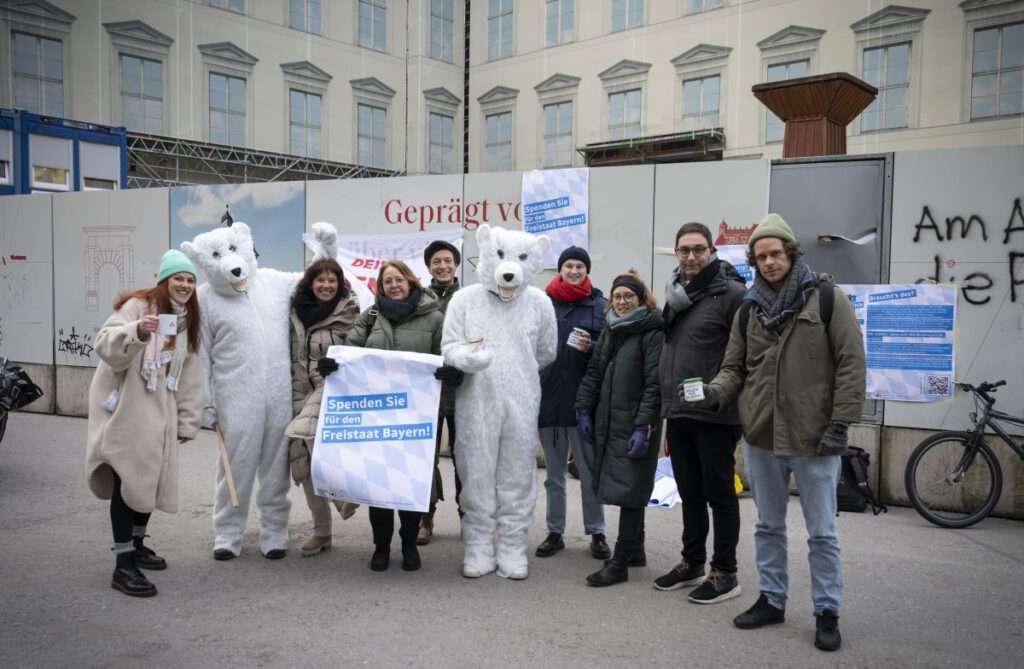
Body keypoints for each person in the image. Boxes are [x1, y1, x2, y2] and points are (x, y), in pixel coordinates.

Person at [693, 214, 866, 651]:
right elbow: (735, 367)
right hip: (762, 436)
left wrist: (841, 424)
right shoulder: (749, 309)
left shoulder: (827, 299)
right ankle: (772, 599)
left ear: (791, 254)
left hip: (815, 439)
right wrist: (714, 393)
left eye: (776, 254)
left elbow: (851, 364)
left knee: (822, 532)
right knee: (768, 526)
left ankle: (827, 610)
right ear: (753, 261)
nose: (769, 262)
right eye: (761, 256)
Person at [319, 260, 459, 572]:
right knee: (379, 484)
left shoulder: (435, 317)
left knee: (411, 482)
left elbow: (446, 355)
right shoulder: (369, 317)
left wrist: (452, 373)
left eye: (398, 280)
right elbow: (349, 351)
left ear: (410, 282)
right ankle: (381, 546)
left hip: (417, 415)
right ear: (380, 288)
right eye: (387, 282)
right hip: (377, 414)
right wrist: (332, 364)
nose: (393, 285)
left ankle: (408, 544)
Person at [85, 250, 203, 597]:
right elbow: (105, 346)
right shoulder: (137, 307)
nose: (185, 285)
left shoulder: (185, 319)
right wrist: (138, 330)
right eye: (178, 278)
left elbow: (189, 372)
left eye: (190, 280)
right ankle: (123, 566)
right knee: (127, 476)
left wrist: (187, 420)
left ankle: (137, 545)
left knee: (149, 477)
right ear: (164, 281)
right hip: (125, 405)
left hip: (159, 406)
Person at [654, 222, 746, 604]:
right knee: (689, 492)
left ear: (711, 251)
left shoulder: (732, 295)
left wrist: (719, 397)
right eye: (684, 250)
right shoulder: (677, 293)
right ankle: (692, 561)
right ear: (676, 253)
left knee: (719, 494)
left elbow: (743, 358)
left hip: (714, 412)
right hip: (678, 411)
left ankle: (725, 571)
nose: (691, 257)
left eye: (698, 249)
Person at [575, 269, 664, 587]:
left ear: (641, 299)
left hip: (637, 422)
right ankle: (636, 550)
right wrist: (584, 406)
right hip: (610, 419)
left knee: (630, 488)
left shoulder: (652, 332)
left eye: (629, 296)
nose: (623, 301)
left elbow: (655, 383)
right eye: (618, 296)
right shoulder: (613, 330)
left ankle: (620, 562)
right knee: (631, 485)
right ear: (611, 301)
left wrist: (644, 426)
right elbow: (595, 371)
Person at [536, 246, 609, 560]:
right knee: (553, 475)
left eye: (580, 266)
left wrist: (590, 346)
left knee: (589, 473)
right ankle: (555, 531)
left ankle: (597, 531)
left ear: (587, 270)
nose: (575, 270)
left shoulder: (600, 304)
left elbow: (610, 351)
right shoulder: (541, 304)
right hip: (548, 399)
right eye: (569, 265)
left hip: (583, 404)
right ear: (560, 270)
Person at [286, 258, 360, 557]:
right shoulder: (294, 311)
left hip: (331, 393)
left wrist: (339, 363)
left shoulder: (350, 313)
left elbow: (360, 352)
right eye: (320, 280)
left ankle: (346, 495)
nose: (326, 286)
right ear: (310, 283)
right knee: (302, 462)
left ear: (340, 283)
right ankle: (322, 532)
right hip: (296, 393)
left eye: (332, 280)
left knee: (321, 452)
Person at [418, 239, 463, 545]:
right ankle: (426, 518)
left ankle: (469, 516)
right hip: (427, 390)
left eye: (448, 260)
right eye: (437, 261)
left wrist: (461, 367)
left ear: (456, 264)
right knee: (424, 458)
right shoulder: (418, 299)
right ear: (429, 266)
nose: (443, 266)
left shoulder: (470, 297)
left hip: (463, 391)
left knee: (465, 459)